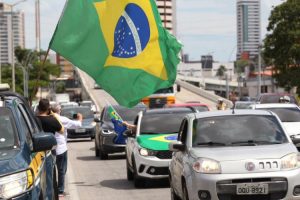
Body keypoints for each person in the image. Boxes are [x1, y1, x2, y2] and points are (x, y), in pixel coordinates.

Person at [51, 103, 83, 197]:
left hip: (50, 148)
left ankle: (54, 189)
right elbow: (77, 124)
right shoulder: (62, 119)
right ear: (59, 110)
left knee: (52, 170)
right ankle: (60, 190)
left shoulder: (49, 118)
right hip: (61, 148)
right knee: (62, 170)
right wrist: (80, 117)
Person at [36, 99, 64, 199]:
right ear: (48, 108)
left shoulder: (34, 120)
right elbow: (61, 130)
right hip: (49, 152)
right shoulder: (51, 119)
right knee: (49, 180)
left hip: (35, 153)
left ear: (38, 108)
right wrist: (53, 114)